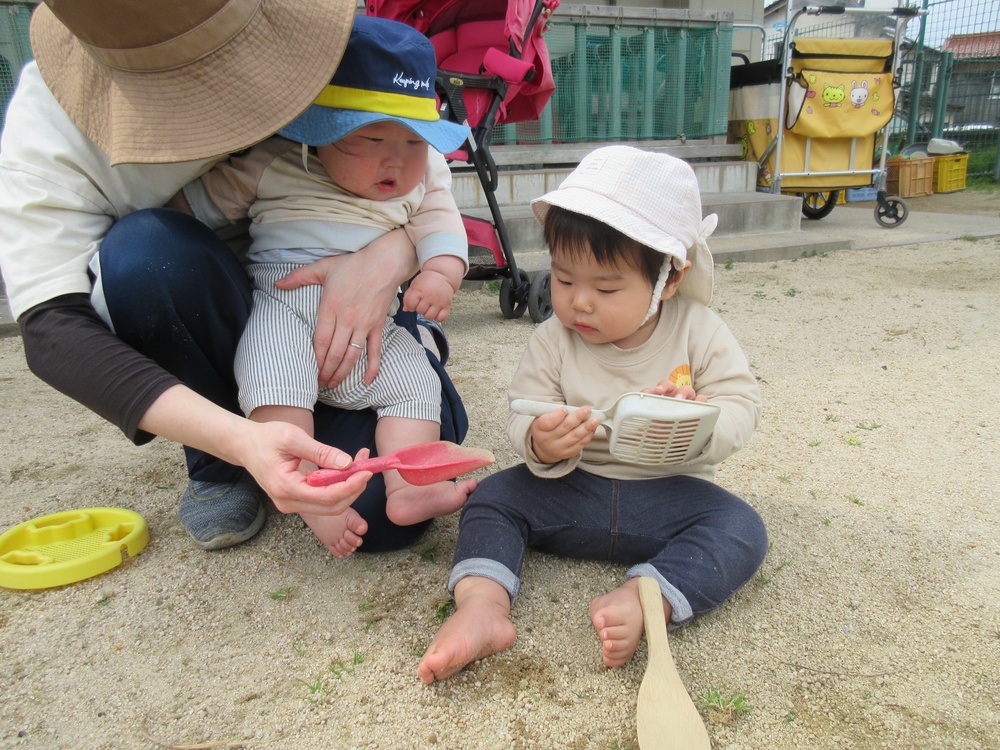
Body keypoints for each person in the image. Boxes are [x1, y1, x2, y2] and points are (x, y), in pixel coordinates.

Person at [0, 1, 467, 553]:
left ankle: (372, 480)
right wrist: (237, 440)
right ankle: (225, 464)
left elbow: (422, 182)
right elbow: (54, 330)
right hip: (255, 305)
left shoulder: (329, 50)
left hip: (365, 327)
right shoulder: (50, 130)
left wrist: (393, 257)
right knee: (148, 253)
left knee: (379, 514)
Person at [418, 146, 768, 685]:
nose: (580, 303)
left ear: (668, 280)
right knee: (491, 498)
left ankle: (647, 595)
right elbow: (522, 409)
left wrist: (698, 423)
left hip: (668, 494)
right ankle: (482, 606)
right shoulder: (553, 339)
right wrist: (541, 440)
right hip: (573, 489)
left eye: (606, 288)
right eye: (562, 280)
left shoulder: (698, 330)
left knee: (740, 527)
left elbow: (742, 406)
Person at [181, 16, 475, 557]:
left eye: (415, 141)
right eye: (371, 137)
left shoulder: (428, 175)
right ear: (321, 131)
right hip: (285, 305)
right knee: (274, 380)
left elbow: (443, 226)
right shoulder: (275, 161)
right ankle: (315, 495)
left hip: (374, 332)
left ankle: (411, 488)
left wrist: (439, 273)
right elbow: (192, 209)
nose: (397, 159)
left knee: (415, 382)